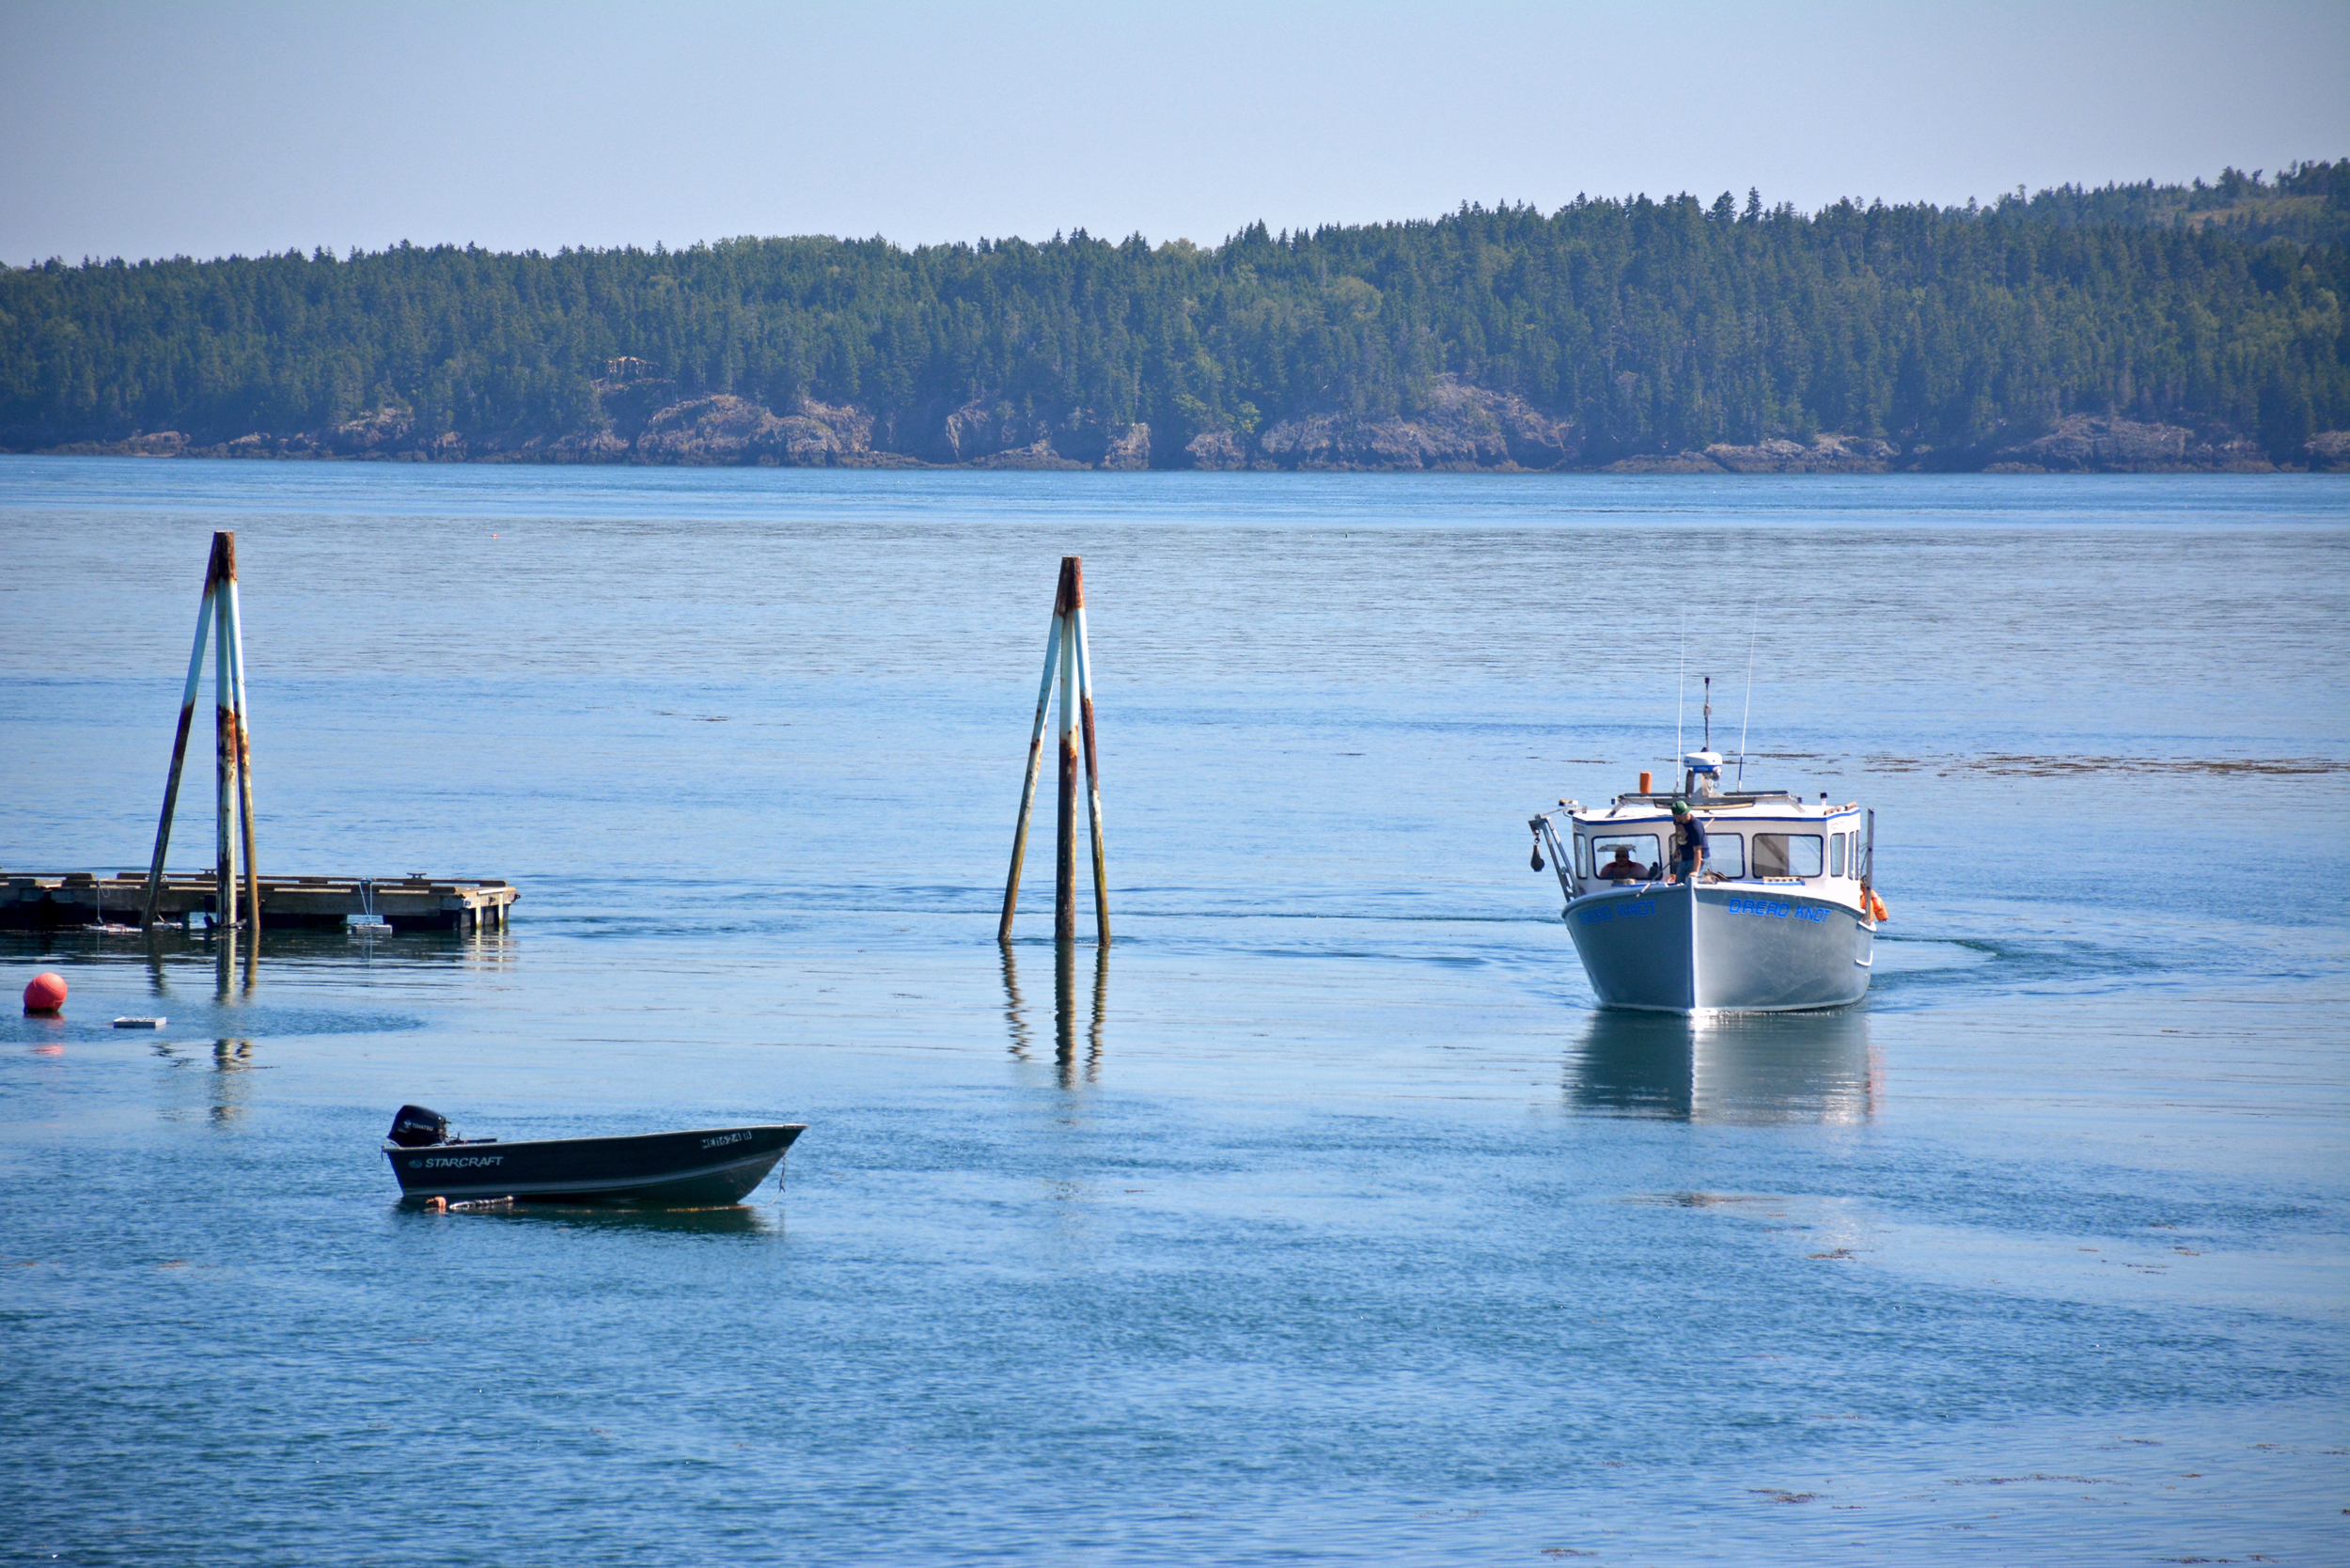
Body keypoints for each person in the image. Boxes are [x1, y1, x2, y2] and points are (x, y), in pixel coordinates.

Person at [1666, 800, 1707, 884]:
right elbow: (1678, 832)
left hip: (1698, 858)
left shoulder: (1696, 827)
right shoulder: (1677, 821)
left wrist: (1695, 871)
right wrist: (1677, 849)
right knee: (1679, 883)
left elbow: (1698, 850)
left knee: (1691, 882)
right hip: (1685, 858)